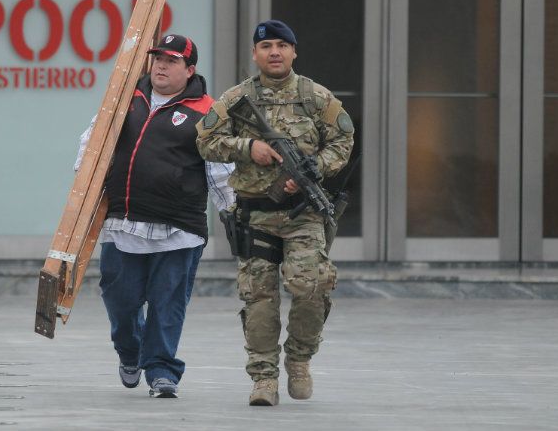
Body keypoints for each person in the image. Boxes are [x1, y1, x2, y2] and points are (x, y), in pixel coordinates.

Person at [196, 20, 354, 406]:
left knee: (313, 287)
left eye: (283, 45)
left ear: (294, 52)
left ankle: (299, 359)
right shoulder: (237, 98)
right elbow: (205, 140)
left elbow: (343, 139)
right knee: (260, 299)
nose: (275, 52)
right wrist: (248, 148)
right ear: (255, 53)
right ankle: (264, 378)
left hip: (303, 214)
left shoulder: (315, 96)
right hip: (256, 213)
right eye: (266, 45)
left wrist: (313, 170)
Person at [74, 34, 234, 398]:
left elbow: (221, 167)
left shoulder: (208, 111)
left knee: (168, 303)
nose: (161, 65)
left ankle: (162, 370)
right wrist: (83, 186)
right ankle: (130, 351)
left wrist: (233, 212)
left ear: (189, 69)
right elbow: (92, 141)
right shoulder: (126, 97)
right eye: (157, 58)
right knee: (121, 301)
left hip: (179, 228)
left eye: (172, 60)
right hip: (123, 223)